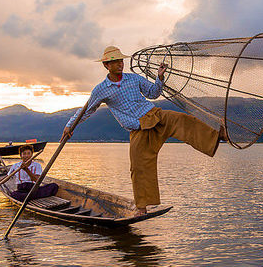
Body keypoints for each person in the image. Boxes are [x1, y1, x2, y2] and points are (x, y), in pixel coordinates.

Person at [61, 46, 228, 217]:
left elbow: (153, 93)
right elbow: (87, 110)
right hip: (138, 128)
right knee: (138, 166)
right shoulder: (101, 89)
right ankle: (141, 207)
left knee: (183, 120)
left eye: (121, 61)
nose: (120, 64)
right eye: (115, 62)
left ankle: (218, 136)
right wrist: (70, 126)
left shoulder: (133, 79)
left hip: (154, 116)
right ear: (106, 65)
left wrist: (160, 77)